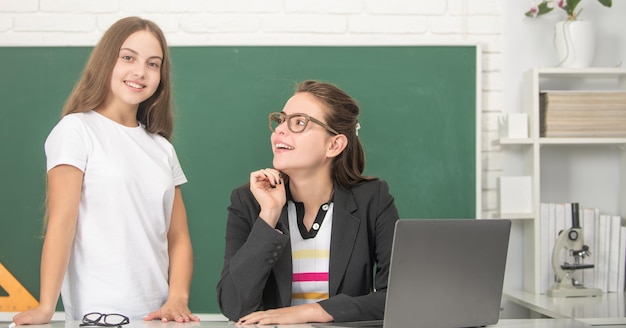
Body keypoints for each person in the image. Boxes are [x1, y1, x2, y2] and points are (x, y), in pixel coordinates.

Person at [12, 16, 199, 325]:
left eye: (153, 64)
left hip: (156, 318)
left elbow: (177, 237)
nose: (140, 72)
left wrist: (177, 298)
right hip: (97, 316)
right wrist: (46, 306)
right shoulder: (76, 130)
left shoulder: (162, 149)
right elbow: (62, 223)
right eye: (128, 57)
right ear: (106, 61)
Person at [216, 80, 400, 325]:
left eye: (299, 122)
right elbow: (234, 305)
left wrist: (312, 312)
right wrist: (268, 216)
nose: (280, 130)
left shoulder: (373, 199)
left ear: (334, 145)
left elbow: (398, 297)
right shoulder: (248, 201)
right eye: (281, 120)